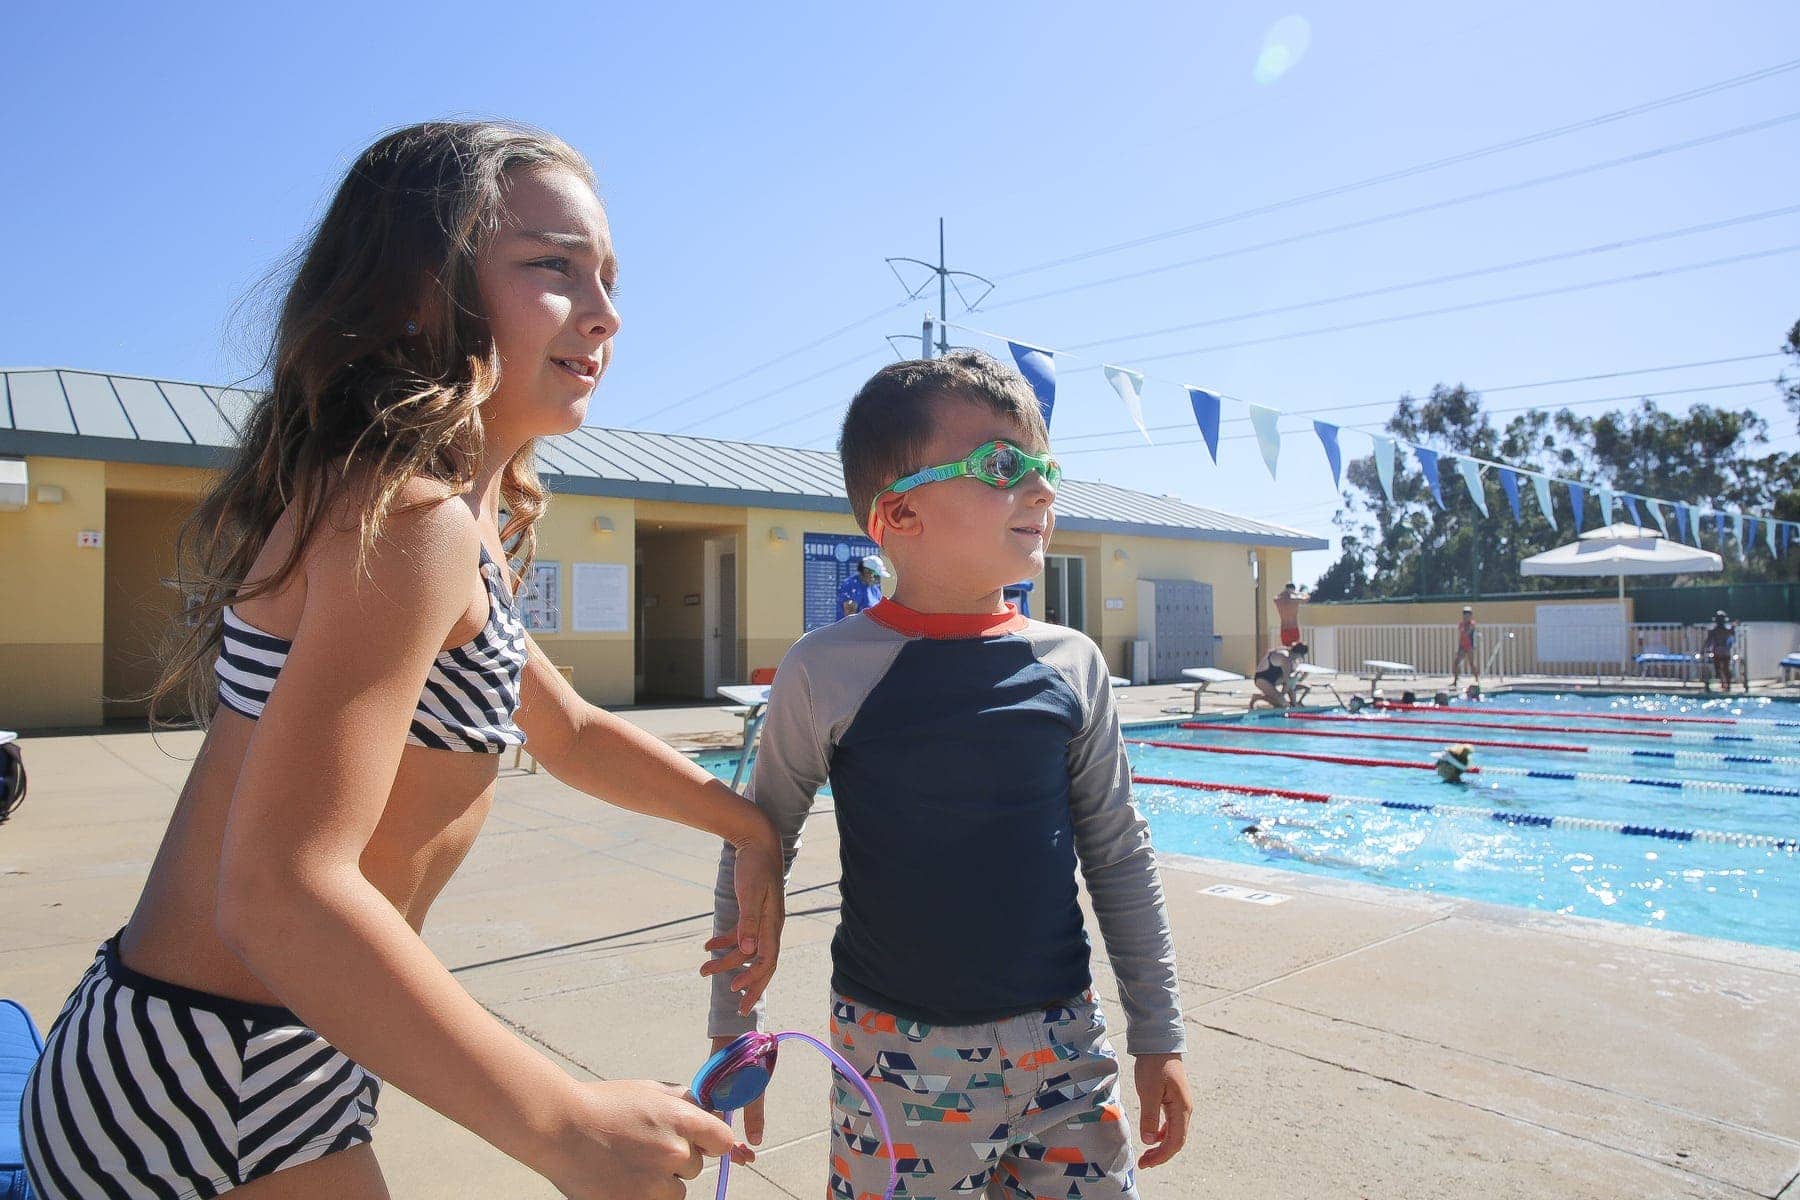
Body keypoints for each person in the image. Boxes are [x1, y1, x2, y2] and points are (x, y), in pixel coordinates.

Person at [22, 123, 774, 1200]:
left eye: (609, 277)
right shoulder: (405, 520)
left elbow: (569, 733)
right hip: (213, 1072)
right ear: (421, 289)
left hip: (262, 1042)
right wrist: (568, 1125)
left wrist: (748, 827)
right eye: (553, 267)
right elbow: (279, 891)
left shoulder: (446, 516)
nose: (606, 313)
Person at [704, 350, 1192, 1199]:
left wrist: (1159, 1033)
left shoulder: (1071, 663)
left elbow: (1118, 854)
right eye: (1005, 466)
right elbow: (756, 847)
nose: (1041, 491)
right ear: (897, 513)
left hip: (1065, 1048)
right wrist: (731, 1036)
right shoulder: (828, 670)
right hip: (895, 1063)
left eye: (1046, 468)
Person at [1249, 642, 1309, 709]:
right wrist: (1281, 696)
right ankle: (1258, 697)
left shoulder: (1290, 657)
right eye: (1301, 656)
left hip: (1273, 679)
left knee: (1292, 679)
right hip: (1262, 679)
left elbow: (1290, 683)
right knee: (1282, 704)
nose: (1301, 658)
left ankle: (1284, 701)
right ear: (1297, 654)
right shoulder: (1285, 658)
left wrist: (1293, 703)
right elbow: (1287, 681)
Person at [836, 553, 890, 617]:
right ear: (866, 571)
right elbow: (850, 619)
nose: (878, 579)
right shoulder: (850, 585)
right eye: (876, 575)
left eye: (879, 577)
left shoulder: (875, 589)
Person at [1702, 610, 1736, 692]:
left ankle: (1726, 685)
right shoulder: (1719, 631)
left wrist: (1703, 649)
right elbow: (1708, 642)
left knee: (1722, 669)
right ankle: (1726, 685)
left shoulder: (1716, 631)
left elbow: (1708, 642)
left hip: (1720, 652)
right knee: (1723, 669)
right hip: (1721, 652)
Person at [1451, 605, 1480, 688]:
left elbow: (1468, 632)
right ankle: (1455, 681)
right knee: (1456, 663)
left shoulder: (1472, 623)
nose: (1466, 615)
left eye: (1468, 614)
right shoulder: (1461, 624)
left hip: (1469, 646)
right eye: (1464, 613)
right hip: (1462, 646)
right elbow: (1462, 633)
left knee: (1471, 663)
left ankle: (1477, 679)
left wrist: (1466, 629)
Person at [1273, 581, 1307, 648]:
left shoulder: (1279, 600)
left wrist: (1284, 593)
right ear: (1293, 589)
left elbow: (1275, 598)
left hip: (1284, 629)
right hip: (1294, 628)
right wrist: (1297, 593)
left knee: (1286, 650)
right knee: (1295, 651)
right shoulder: (1295, 599)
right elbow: (1307, 598)